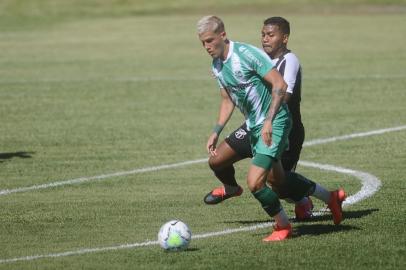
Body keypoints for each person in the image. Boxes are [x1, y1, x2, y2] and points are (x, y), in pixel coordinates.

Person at [197, 15, 346, 241]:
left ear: (223, 35)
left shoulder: (247, 55)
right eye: (203, 43)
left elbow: (281, 85)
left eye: (210, 40)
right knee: (277, 180)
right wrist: (216, 131)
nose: (207, 47)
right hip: (254, 126)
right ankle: (330, 197)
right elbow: (227, 100)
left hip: (275, 123)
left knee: (256, 182)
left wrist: (268, 120)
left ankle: (283, 226)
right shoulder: (217, 65)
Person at [203, 16, 315, 220]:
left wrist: (268, 118)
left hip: (282, 127)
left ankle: (305, 200)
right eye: (263, 35)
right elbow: (230, 96)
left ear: (285, 38)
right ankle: (230, 188)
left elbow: (284, 94)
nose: (265, 39)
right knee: (217, 160)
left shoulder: (288, 60)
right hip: (255, 125)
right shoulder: (252, 58)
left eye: (271, 35)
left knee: (277, 185)